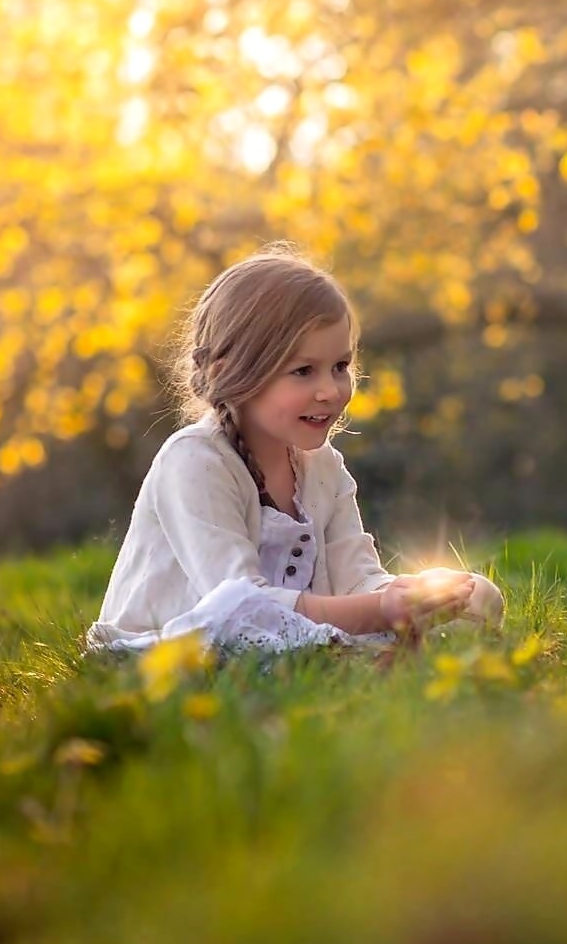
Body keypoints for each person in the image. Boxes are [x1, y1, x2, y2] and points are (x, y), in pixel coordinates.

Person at [86, 244, 502, 653]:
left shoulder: (323, 467)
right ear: (229, 372)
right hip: (181, 649)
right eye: (303, 371)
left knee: (477, 595)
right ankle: (358, 653)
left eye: (340, 367)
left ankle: (369, 651)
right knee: (238, 612)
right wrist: (379, 610)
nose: (330, 390)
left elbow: (356, 578)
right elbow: (239, 608)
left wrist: (413, 598)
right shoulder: (194, 460)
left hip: (295, 634)